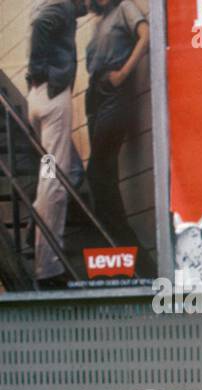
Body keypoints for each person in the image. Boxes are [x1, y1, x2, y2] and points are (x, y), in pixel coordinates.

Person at [25, 0, 90, 288]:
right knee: (55, 184)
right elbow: (41, 25)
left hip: (39, 101)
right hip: (53, 100)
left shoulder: (57, 6)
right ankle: (48, 268)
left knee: (55, 173)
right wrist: (43, 73)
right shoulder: (62, 6)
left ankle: (35, 229)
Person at [84, 0, 149, 251]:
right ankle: (118, 244)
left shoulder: (125, 7)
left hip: (114, 93)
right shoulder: (99, 22)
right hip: (95, 94)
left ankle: (121, 241)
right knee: (105, 173)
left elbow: (145, 36)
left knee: (97, 170)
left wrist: (123, 74)